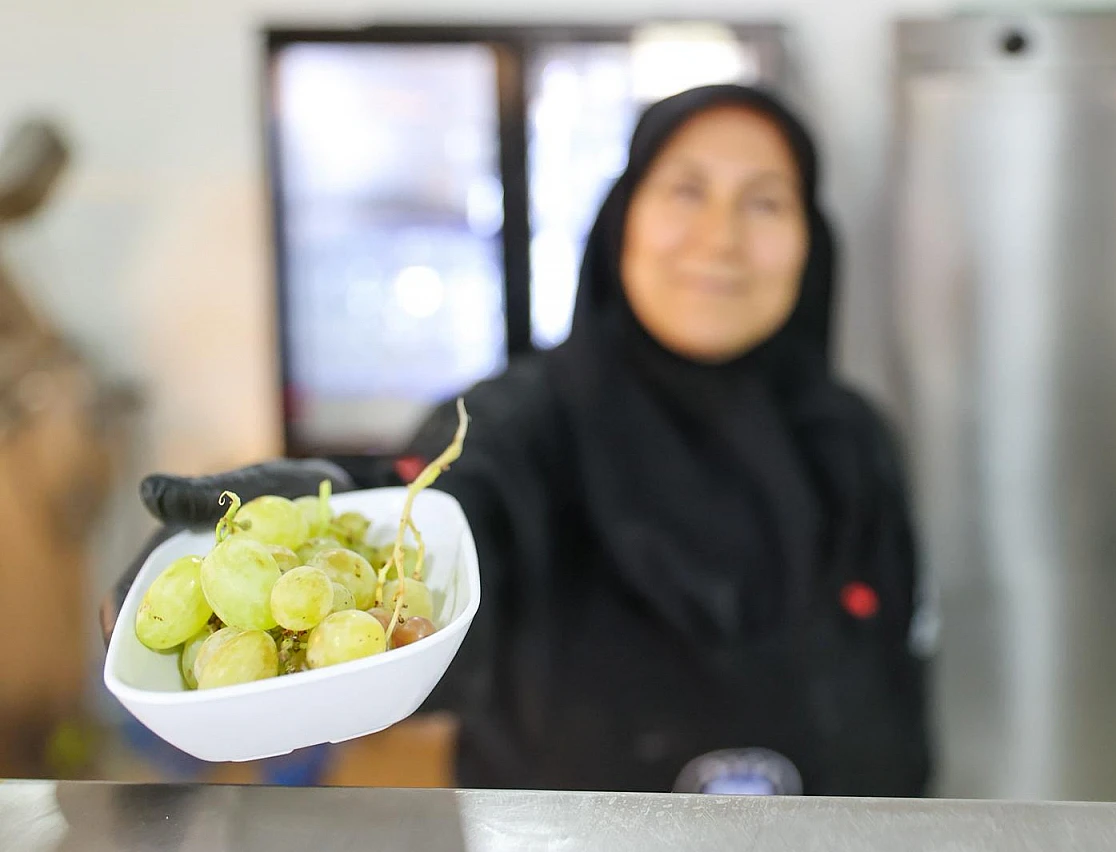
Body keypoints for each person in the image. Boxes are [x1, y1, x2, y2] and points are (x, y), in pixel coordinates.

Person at [103, 85, 933, 796]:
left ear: (810, 242)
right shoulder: (529, 423)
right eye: (686, 190)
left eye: (765, 200)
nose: (722, 237)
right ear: (622, 221)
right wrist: (340, 500)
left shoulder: (854, 441)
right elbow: (451, 512)